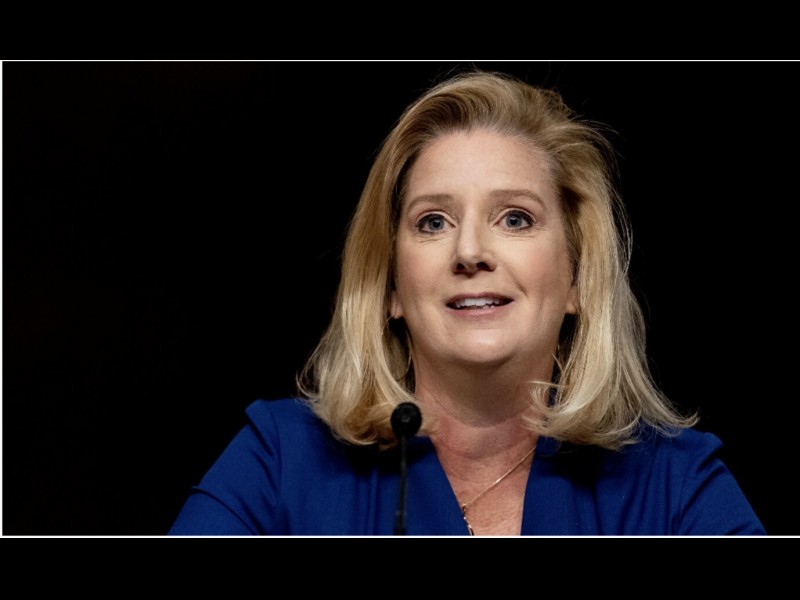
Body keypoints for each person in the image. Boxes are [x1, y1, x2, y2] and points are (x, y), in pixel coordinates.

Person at [168, 69, 765, 536]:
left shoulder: (676, 484)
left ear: (578, 279)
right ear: (391, 287)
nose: (471, 251)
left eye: (515, 218)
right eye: (433, 221)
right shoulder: (279, 460)